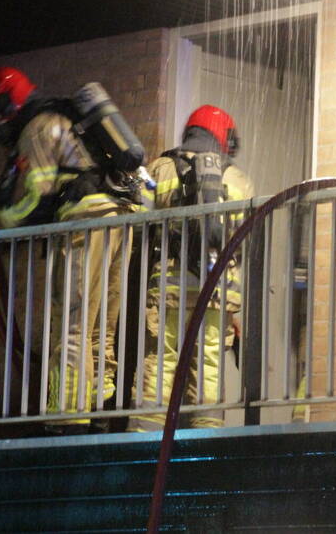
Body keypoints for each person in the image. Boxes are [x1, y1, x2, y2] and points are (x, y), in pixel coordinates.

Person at [0, 66, 145, 430]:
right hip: (120, 217)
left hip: (84, 222)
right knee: (99, 328)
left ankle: (65, 415)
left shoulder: (38, 127)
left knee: (71, 323)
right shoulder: (67, 119)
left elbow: (37, 196)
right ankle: (99, 412)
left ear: (8, 105)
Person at [128, 105, 254, 432]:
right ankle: (207, 434)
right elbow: (243, 241)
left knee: (162, 357)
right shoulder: (238, 179)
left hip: (170, 286)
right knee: (209, 360)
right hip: (217, 287)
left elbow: (138, 223)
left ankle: (144, 433)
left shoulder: (160, 169)